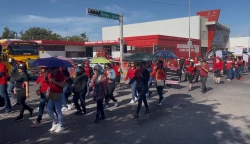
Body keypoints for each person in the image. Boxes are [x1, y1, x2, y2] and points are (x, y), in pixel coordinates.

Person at [47, 67, 65, 133]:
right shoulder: (52, 74)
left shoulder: (60, 75)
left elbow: (62, 85)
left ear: (57, 68)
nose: (52, 70)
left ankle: (61, 125)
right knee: (48, 109)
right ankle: (54, 122)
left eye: (53, 68)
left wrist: (55, 81)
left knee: (58, 110)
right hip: (52, 93)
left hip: (58, 93)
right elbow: (50, 84)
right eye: (51, 68)